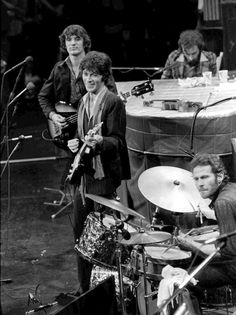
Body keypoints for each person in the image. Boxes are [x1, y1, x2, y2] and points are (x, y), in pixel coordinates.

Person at [67, 50, 131, 295]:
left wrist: (100, 142)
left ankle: (106, 291)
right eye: (85, 74)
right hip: (84, 178)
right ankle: (84, 289)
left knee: (102, 239)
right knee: (80, 236)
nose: (89, 79)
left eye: (94, 75)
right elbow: (81, 136)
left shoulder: (113, 102)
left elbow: (118, 142)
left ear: (104, 77)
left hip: (103, 180)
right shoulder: (84, 101)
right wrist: (76, 142)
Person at [38, 24, 117, 188]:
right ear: (64, 44)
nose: (72, 43)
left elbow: (112, 96)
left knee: (93, 176)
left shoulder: (98, 65)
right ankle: (77, 202)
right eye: (69, 39)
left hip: (92, 128)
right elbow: (43, 96)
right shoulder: (58, 69)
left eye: (77, 39)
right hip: (67, 129)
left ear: (85, 42)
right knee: (74, 175)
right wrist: (53, 116)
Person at [177, 153, 236, 309]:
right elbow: (230, 233)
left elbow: (229, 255)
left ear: (220, 176)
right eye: (196, 179)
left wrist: (191, 244)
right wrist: (199, 238)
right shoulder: (232, 189)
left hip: (234, 267)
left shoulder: (223, 203)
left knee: (183, 279)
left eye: (205, 177)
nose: (200, 184)